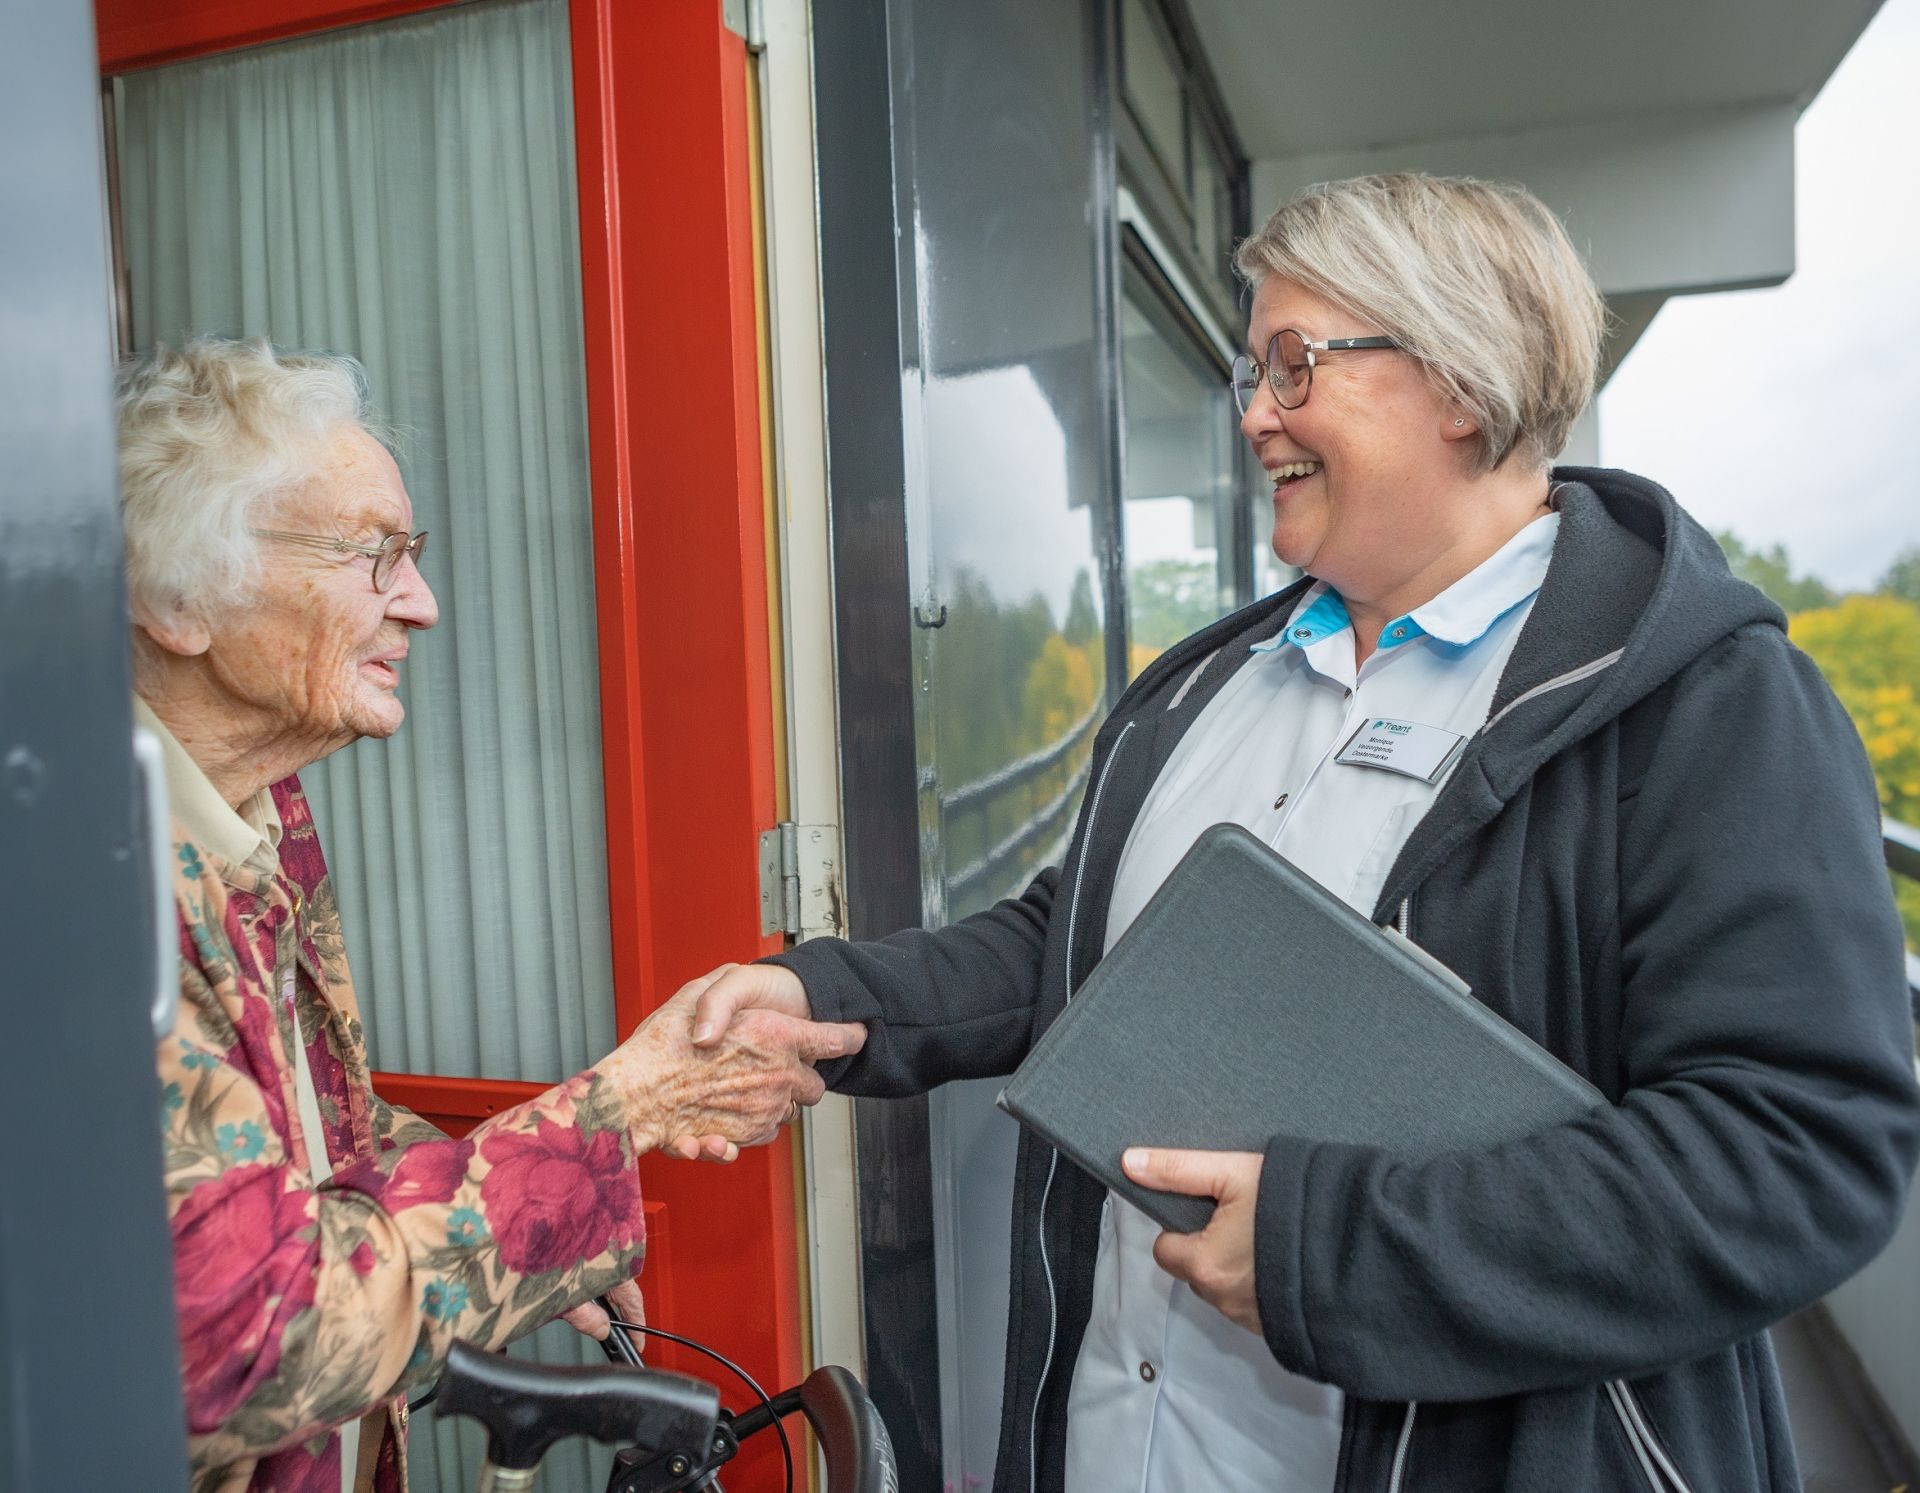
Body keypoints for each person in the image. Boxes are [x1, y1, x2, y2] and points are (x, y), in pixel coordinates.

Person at [683, 173, 1920, 1492]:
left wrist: (1328, 1251)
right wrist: (825, 998)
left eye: (1294, 364)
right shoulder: (1206, 687)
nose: (1255, 414)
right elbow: (1082, 946)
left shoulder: (1707, 706)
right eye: (1250, 372)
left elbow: (1796, 1149)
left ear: (1459, 381)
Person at [121, 337, 865, 1493]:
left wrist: (532, 1201)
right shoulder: (82, 883)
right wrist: (610, 1118)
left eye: (410, 555)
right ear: (176, 600)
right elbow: (245, 1342)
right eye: (372, 555)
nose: (421, 604)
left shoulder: (260, 805)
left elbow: (313, 1135)